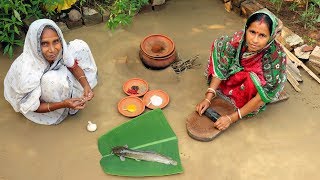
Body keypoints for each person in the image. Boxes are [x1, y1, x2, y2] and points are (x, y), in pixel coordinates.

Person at [196, 8, 287, 131]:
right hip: (238, 74)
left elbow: (261, 97)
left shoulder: (274, 58)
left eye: (262, 35)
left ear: (270, 37)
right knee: (222, 47)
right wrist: (208, 97)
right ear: (246, 29)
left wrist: (231, 118)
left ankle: (241, 104)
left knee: (251, 80)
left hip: (252, 86)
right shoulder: (237, 41)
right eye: (252, 32)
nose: (254, 40)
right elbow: (222, 65)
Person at [4, 19, 98, 125]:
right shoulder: (26, 71)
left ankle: (77, 91)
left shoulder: (60, 50)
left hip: (51, 73)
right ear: (35, 45)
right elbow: (32, 106)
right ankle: (61, 110)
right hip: (32, 100)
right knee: (51, 80)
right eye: (44, 44)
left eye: (56, 41)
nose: (52, 49)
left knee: (80, 47)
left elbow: (73, 66)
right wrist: (63, 104)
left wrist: (86, 86)